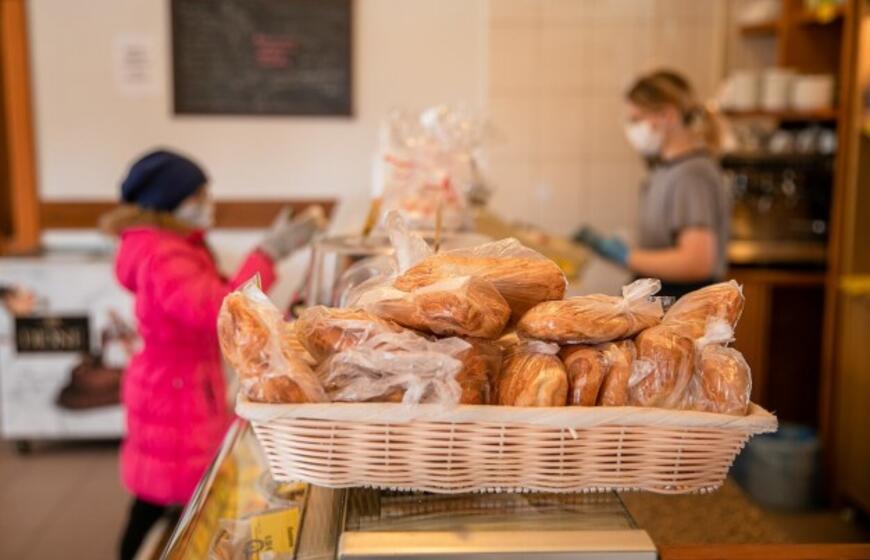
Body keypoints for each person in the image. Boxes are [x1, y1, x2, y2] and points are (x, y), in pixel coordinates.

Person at [100, 149, 324, 560]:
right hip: (176, 390)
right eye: (198, 195)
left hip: (176, 382)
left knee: (161, 494)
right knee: (169, 496)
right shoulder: (163, 254)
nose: (207, 203)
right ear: (169, 200)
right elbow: (217, 309)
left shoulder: (170, 244)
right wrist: (268, 253)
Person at [575, 70, 730, 298]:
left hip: (682, 304)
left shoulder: (692, 174)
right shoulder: (665, 171)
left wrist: (626, 256)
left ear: (668, 115)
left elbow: (697, 262)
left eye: (637, 119)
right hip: (663, 298)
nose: (632, 129)